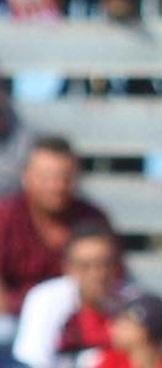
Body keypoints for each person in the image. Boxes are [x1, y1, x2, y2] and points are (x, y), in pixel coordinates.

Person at [0, 134, 109, 316]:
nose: (55, 186)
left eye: (64, 177)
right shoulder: (6, 217)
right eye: (45, 177)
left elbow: (109, 278)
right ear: (26, 177)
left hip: (78, 318)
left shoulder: (93, 219)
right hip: (13, 318)